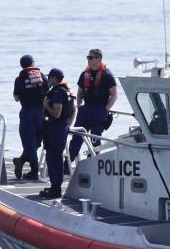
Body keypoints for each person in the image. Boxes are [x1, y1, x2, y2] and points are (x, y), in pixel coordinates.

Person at [70, 48, 117, 161]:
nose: (88, 60)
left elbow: (114, 95)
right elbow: (79, 93)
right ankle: (68, 164)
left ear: (99, 59)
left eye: (90, 58)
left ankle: (93, 161)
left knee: (95, 138)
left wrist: (105, 110)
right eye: (88, 57)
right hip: (85, 109)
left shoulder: (107, 75)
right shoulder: (84, 74)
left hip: (99, 109)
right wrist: (79, 105)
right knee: (77, 136)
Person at [12, 54, 48, 180]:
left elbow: (16, 98)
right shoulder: (42, 77)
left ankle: (31, 168)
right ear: (33, 63)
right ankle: (22, 162)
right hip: (40, 113)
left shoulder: (19, 79)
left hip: (27, 113)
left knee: (29, 143)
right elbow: (47, 95)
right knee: (36, 141)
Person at [40, 68, 73, 199]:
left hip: (57, 127)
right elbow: (73, 110)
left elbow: (57, 113)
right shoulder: (66, 91)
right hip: (60, 126)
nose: (48, 80)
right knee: (52, 156)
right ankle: (54, 186)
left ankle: (56, 188)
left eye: (50, 78)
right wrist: (69, 124)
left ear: (54, 78)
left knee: (54, 158)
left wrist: (46, 105)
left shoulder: (58, 92)